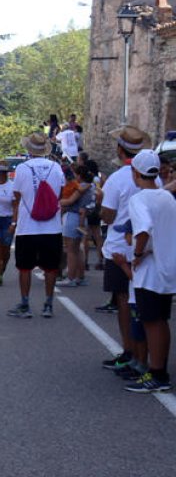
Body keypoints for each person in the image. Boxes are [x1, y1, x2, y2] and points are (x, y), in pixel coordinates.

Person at [99, 126, 152, 376]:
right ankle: (142, 355)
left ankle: (130, 352)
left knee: (124, 301)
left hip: (121, 247)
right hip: (148, 248)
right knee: (143, 304)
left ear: (120, 149)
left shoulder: (118, 178)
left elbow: (108, 216)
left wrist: (101, 203)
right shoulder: (156, 178)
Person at [122, 149, 176, 393]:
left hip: (151, 270)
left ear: (136, 172)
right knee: (161, 321)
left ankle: (157, 374)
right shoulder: (166, 197)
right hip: (167, 265)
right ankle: (160, 370)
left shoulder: (139, 199)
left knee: (151, 322)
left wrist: (137, 254)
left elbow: (143, 229)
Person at [6, 132, 64, 319]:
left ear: (29, 149)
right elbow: (60, 194)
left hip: (27, 227)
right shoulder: (56, 167)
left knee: (24, 267)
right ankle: (48, 304)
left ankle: (25, 304)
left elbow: (16, 195)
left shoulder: (23, 168)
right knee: (51, 268)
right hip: (52, 227)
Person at [57, 165, 95, 287]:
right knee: (78, 249)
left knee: (70, 250)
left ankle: (71, 277)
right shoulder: (91, 186)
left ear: (79, 175)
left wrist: (57, 202)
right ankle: (80, 276)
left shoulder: (82, 187)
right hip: (82, 218)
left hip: (73, 216)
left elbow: (70, 201)